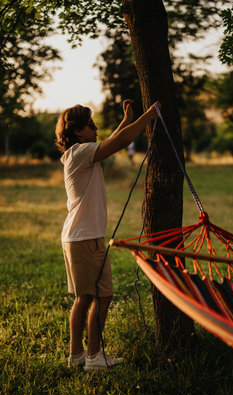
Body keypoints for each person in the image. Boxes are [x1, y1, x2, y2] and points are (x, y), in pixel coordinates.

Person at [55, 99, 160, 371]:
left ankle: (77, 355)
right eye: (90, 125)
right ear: (77, 131)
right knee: (103, 296)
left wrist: (127, 120)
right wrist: (149, 116)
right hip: (86, 238)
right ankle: (93, 357)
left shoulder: (78, 153)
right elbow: (118, 143)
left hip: (77, 237)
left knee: (85, 297)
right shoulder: (80, 153)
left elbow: (114, 139)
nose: (95, 128)